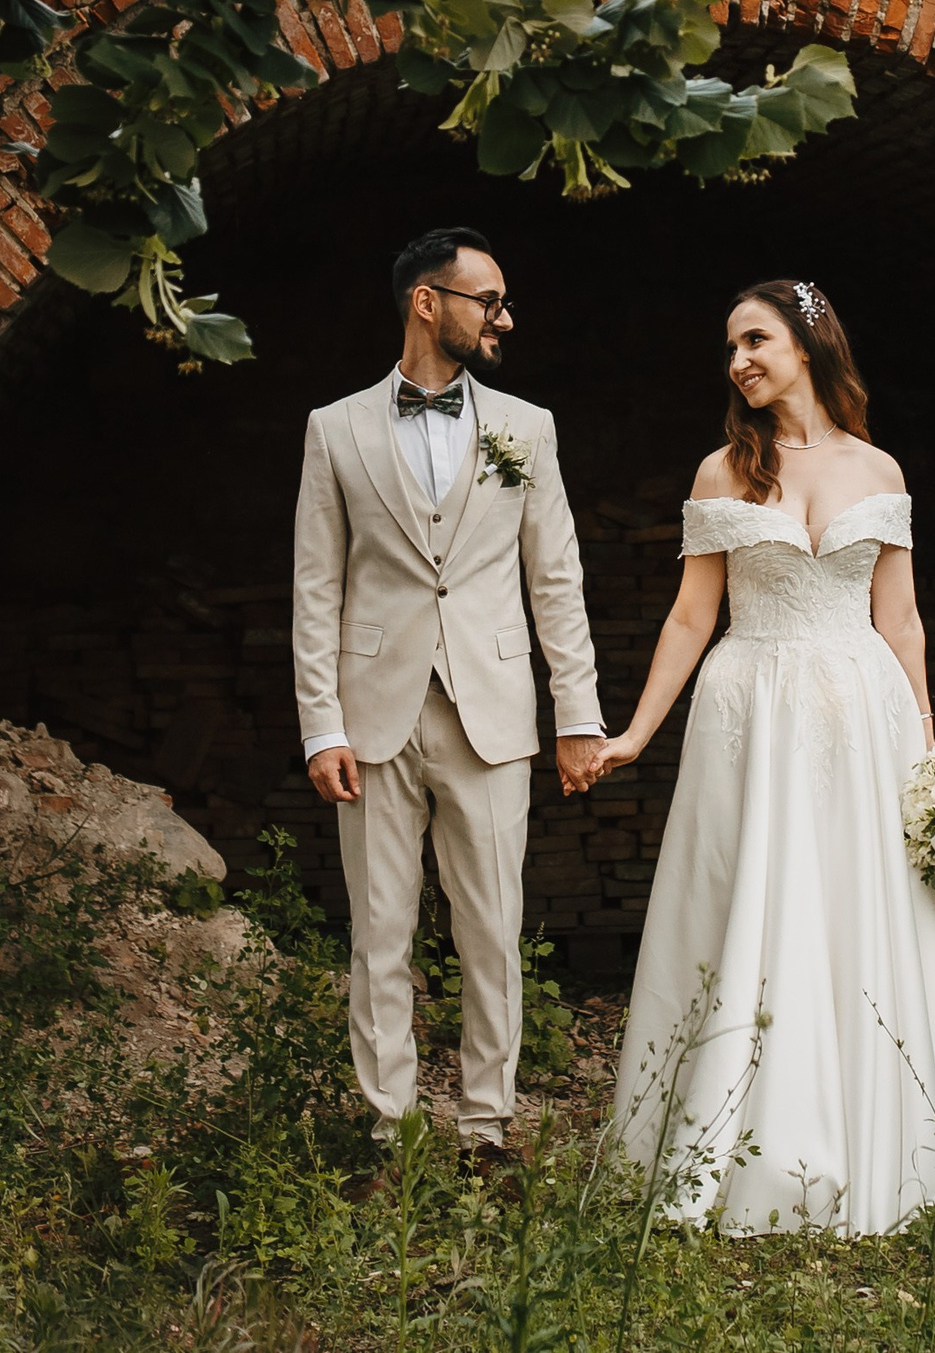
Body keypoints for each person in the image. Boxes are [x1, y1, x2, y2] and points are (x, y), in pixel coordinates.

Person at [593, 279, 935, 1236]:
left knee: (860, 905)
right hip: (751, 707)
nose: (739, 362)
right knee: (757, 900)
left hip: (862, 713)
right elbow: (691, 616)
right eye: (730, 348)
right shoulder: (722, 470)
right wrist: (635, 731)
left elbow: (902, 619)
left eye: (755, 340)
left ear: (807, 342)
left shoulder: (878, 469)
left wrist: (929, 745)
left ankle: (892, 1140)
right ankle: (746, 1143)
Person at [291, 227, 606, 1189]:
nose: (504, 318)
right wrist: (321, 724)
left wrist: (578, 715)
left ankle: (486, 1131)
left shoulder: (528, 428)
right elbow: (316, 585)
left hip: (491, 710)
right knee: (379, 932)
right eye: (488, 300)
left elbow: (556, 579)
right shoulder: (335, 428)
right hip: (372, 716)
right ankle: (387, 1136)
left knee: (492, 928)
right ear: (427, 303)